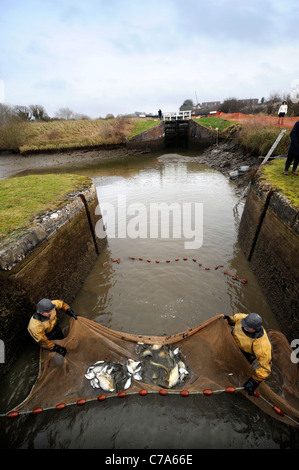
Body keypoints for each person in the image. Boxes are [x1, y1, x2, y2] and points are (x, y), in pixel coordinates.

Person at [223, 312, 272, 396]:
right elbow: (233, 319)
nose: (244, 327)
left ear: (255, 329)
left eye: (248, 328)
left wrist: (254, 381)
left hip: (243, 357)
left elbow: (265, 368)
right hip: (230, 345)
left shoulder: (262, 345)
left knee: (232, 371)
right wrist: (228, 319)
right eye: (244, 324)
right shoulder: (242, 318)